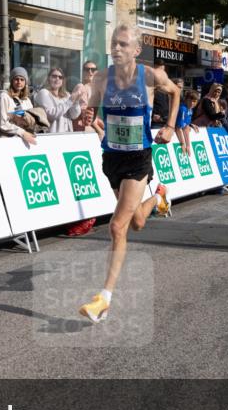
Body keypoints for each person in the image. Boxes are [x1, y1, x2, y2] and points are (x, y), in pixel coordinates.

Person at [77, 23, 180, 324]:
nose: (117, 48)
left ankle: (103, 299)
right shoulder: (102, 78)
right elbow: (93, 108)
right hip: (112, 158)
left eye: (123, 44)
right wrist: (90, 114)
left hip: (138, 159)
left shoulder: (149, 76)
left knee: (117, 227)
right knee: (136, 222)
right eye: (114, 43)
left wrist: (171, 126)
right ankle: (159, 196)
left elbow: (176, 92)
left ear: (136, 50)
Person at [65, 60, 103, 238]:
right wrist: (98, 129)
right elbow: (80, 113)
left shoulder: (96, 90)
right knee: (83, 175)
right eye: (87, 69)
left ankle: (89, 215)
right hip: (81, 134)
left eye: (93, 69)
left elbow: (94, 115)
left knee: (91, 174)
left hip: (90, 134)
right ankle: (85, 216)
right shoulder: (81, 87)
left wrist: (99, 126)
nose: (90, 72)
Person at [0, 67, 37, 145]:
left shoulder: (26, 100)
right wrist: (22, 132)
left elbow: (30, 119)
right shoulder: (4, 97)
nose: (19, 82)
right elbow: (2, 123)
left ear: (26, 82)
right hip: (6, 142)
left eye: (22, 79)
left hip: (24, 141)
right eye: (16, 79)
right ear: (11, 81)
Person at [35, 66, 83, 133]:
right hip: (52, 136)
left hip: (67, 135)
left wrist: (76, 101)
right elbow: (51, 114)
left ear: (63, 81)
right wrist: (71, 100)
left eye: (60, 77)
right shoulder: (43, 93)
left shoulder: (66, 95)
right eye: (54, 76)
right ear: (49, 78)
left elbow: (74, 115)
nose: (57, 79)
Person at [175, 89, 200, 157]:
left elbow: (186, 125)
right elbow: (178, 128)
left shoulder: (190, 109)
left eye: (194, 101)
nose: (192, 103)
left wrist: (191, 125)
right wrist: (183, 144)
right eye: (190, 100)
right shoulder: (183, 109)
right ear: (186, 99)